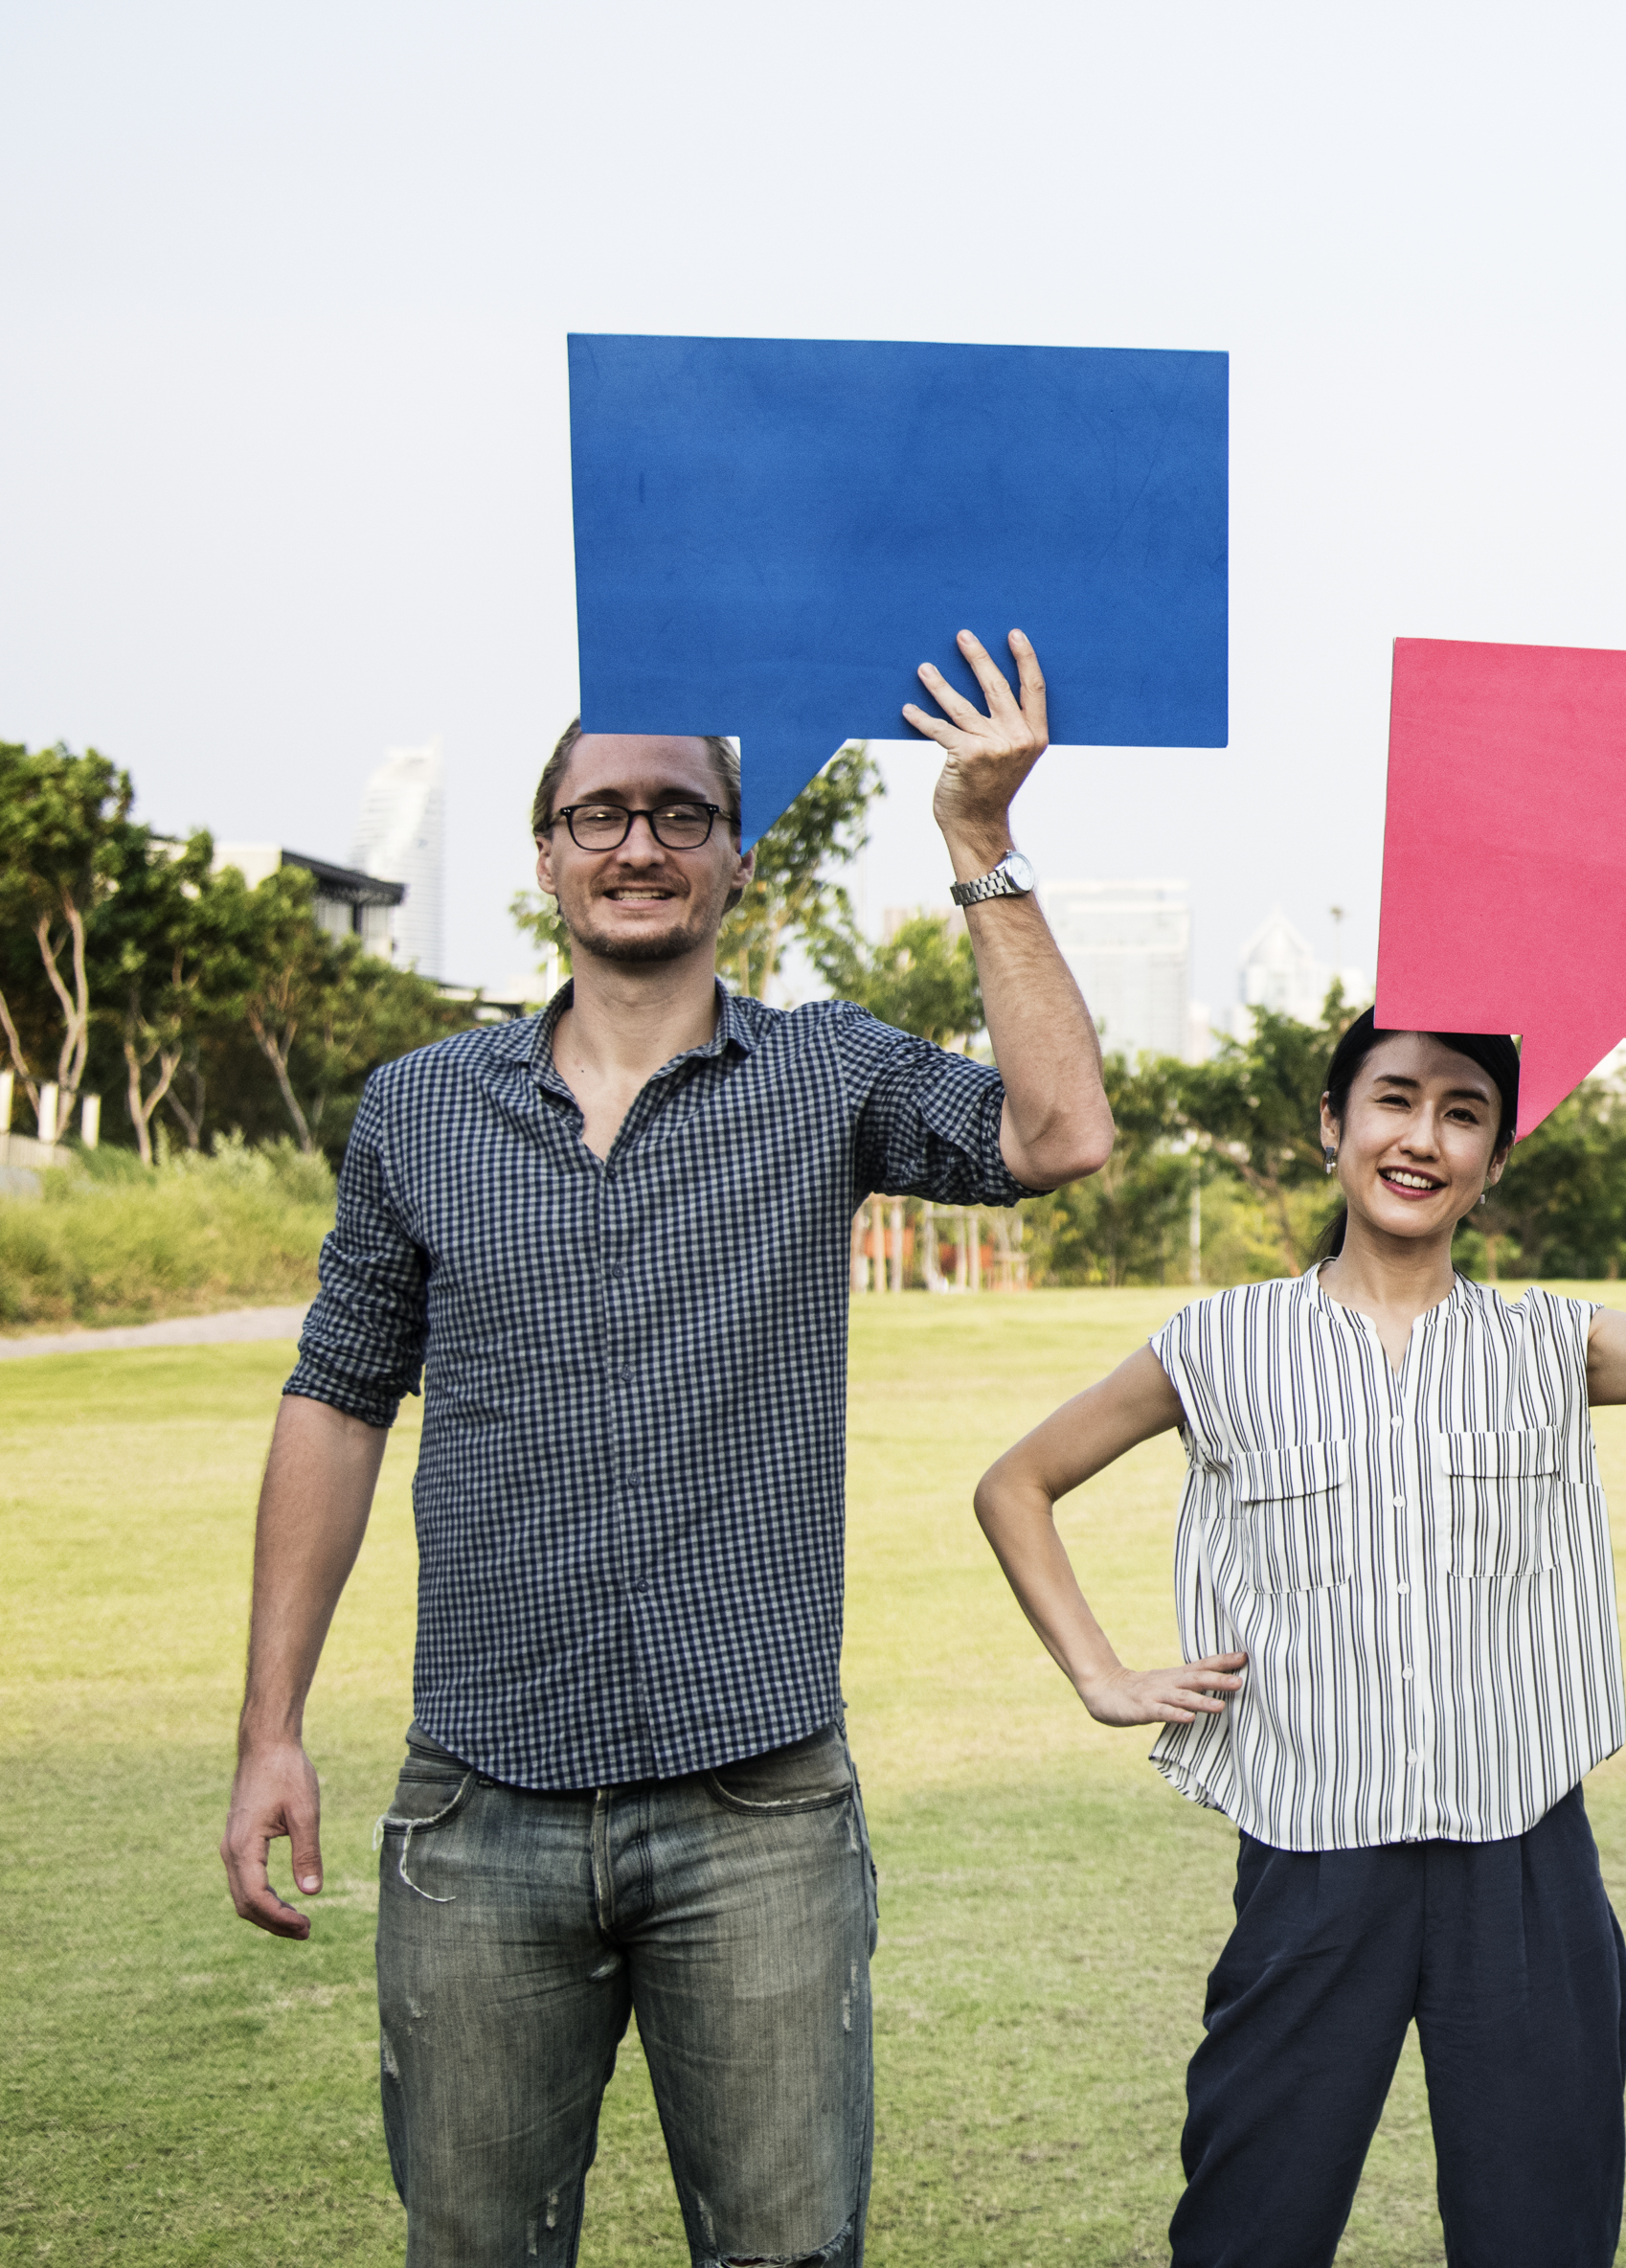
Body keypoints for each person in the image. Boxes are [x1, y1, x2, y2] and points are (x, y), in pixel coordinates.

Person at [220, 631, 1116, 2268]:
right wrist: (269, 1726)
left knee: (785, 2251)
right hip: (478, 1805)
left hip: (755, 1807)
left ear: (738, 857)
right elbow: (337, 1402)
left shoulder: (826, 1073)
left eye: (680, 814)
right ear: (548, 852)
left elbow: (1059, 1133)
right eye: (600, 813)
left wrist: (981, 839)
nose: (640, 844)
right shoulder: (419, 1110)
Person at [969, 977, 1626, 2268]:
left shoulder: (1550, 1345)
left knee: (1541, 2233)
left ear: (1494, 1159)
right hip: (1313, 1866)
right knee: (1249, 2230)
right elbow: (1016, 1485)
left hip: (1526, 1868)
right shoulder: (1219, 1343)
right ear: (1333, 1123)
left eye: (1465, 1114)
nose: (1423, 1138)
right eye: (1395, 1100)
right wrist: (1100, 1674)